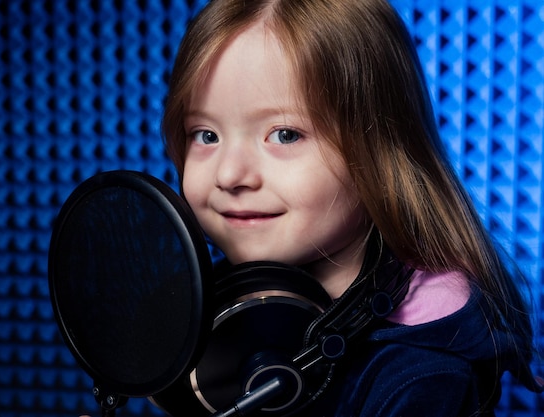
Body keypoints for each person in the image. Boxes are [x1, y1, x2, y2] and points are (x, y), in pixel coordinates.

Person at [153, 0, 543, 415]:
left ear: (377, 153)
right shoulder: (230, 315)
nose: (230, 174)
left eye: (284, 134)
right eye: (206, 135)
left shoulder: (422, 381)